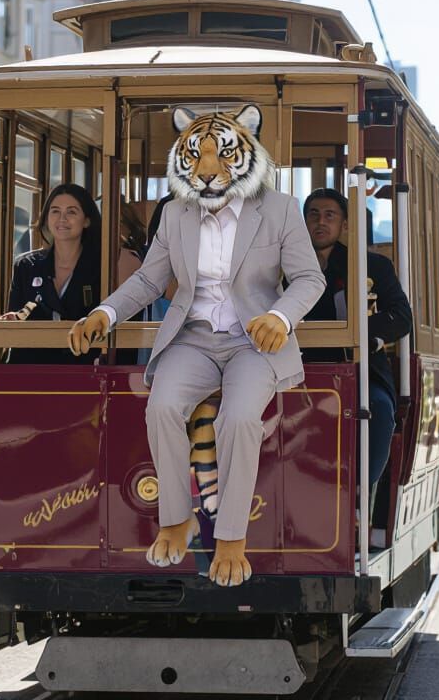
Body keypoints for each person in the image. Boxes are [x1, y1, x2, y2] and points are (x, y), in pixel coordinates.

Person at [68, 104, 325, 587]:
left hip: (253, 341)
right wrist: (105, 313)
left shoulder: (281, 209)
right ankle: (176, 520)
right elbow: (149, 280)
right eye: (196, 156)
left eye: (224, 155)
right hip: (194, 338)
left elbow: (310, 278)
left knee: (240, 418)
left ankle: (230, 539)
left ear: (249, 154)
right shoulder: (174, 213)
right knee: (162, 406)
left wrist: (280, 316)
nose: (208, 169)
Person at [300, 188, 412, 493]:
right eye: (313, 215)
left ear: (345, 225)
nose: (320, 222)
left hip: (360, 368)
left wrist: (363, 335)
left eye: (330, 216)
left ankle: (360, 493)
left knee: (378, 407)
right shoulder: (286, 266)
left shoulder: (373, 267)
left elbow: (402, 317)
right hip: (296, 368)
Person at [0, 184, 103, 364]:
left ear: (87, 220)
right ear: (47, 218)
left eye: (71, 212)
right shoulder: (26, 266)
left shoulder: (101, 267)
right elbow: (17, 317)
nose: (62, 218)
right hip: (30, 368)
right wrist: (13, 318)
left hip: (83, 368)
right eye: (55, 211)